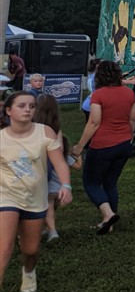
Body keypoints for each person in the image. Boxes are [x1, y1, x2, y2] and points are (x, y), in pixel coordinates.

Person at [1, 91, 73, 292]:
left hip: (35, 198)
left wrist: (66, 185)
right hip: (6, 196)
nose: (28, 110)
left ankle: (29, 271)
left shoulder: (45, 132)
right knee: (4, 247)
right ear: (8, 110)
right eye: (22, 106)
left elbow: (60, 163)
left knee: (30, 250)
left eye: (32, 106)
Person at [70, 60, 135, 235]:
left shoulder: (98, 95)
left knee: (91, 183)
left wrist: (79, 146)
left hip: (102, 145)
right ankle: (110, 223)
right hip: (124, 144)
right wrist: (129, 138)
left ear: (99, 76)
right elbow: (133, 119)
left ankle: (108, 215)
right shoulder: (129, 93)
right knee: (110, 182)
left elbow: (94, 122)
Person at [32, 94, 74, 242]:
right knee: (50, 201)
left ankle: (51, 230)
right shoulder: (56, 129)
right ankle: (49, 229)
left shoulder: (33, 127)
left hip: (39, 168)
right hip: (55, 167)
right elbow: (59, 149)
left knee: (46, 202)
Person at [82, 58, 100, 125]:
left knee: (90, 125)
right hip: (92, 106)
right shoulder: (96, 77)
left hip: (88, 104)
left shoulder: (92, 75)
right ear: (97, 66)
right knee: (93, 126)